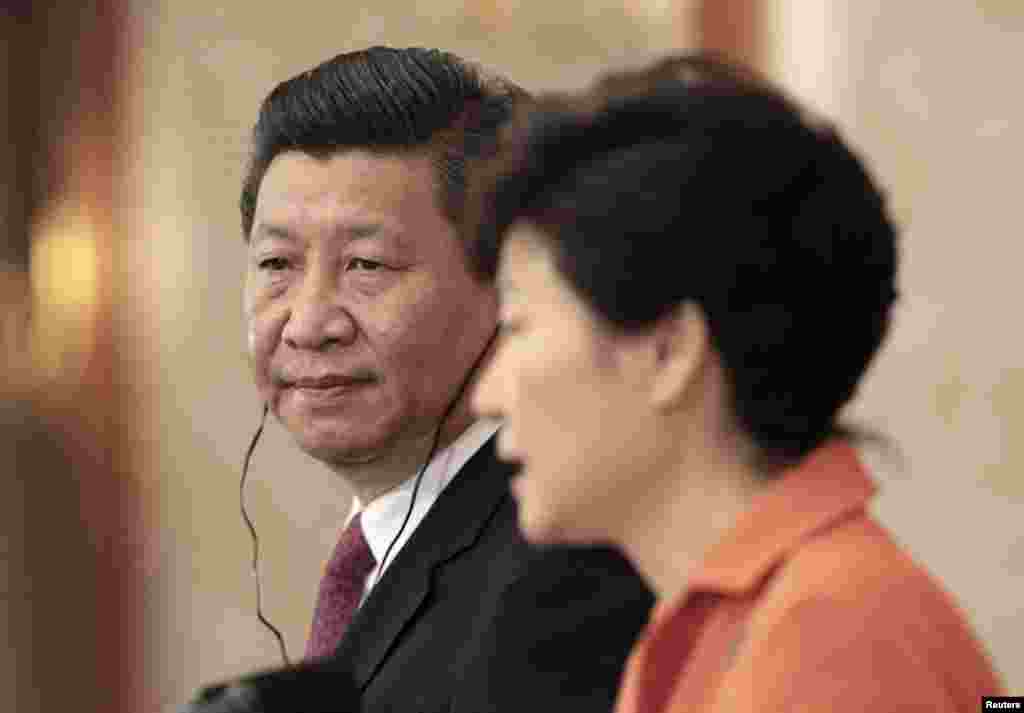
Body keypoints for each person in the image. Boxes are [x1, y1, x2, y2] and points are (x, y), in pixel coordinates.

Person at [466, 53, 1006, 712]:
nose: (487, 394)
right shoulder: (716, 627)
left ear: (670, 351)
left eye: (518, 326)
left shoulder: (832, 641)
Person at [187, 46, 654, 713]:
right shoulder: (391, 545)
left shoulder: (567, 568)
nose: (309, 321)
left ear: (508, 283)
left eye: (367, 264)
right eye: (276, 263)